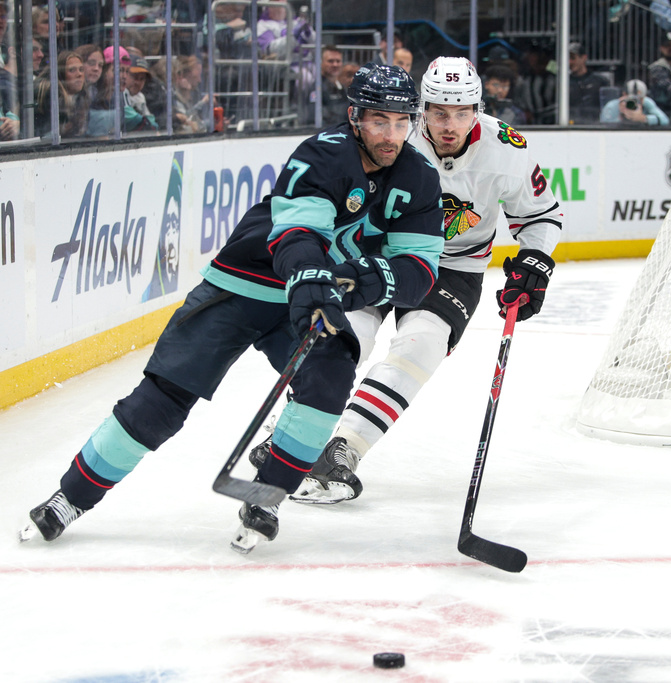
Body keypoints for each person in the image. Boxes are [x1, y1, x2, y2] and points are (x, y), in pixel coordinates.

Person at [20, 64, 444, 553]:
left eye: (400, 122)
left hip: (314, 294)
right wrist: (312, 280)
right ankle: (68, 497)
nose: (390, 135)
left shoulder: (418, 175)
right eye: (378, 121)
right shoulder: (322, 156)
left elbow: (417, 269)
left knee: (328, 379)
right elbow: (297, 236)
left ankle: (267, 496)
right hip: (243, 284)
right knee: (162, 402)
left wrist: (353, 283)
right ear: (354, 117)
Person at [249, 57, 561, 506]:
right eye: (437, 112)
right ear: (421, 109)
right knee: (346, 335)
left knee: (422, 344)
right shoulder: (395, 132)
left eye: (462, 112)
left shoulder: (507, 148)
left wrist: (535, 261)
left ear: (479, 108)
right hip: (377, 248)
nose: (449, 125)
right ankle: (296, 434)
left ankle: (346, 448)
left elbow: (541, 215)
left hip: (454, 263)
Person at [600, 79, 669, 126]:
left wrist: (644, 118)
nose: (635, 103)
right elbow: (603, 125)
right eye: (631, 100)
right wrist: (620, 116)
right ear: (624, 95)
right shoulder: (612, 105)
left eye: (639, 99)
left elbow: (665, 120)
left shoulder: (647, 102)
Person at [567, 41, 606, 124]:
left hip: (595, 126)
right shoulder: (564, 83)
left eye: (573, 58)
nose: (570, 62)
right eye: (567, 59)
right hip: (571, 126)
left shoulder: (599, 81)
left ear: (584, 58)